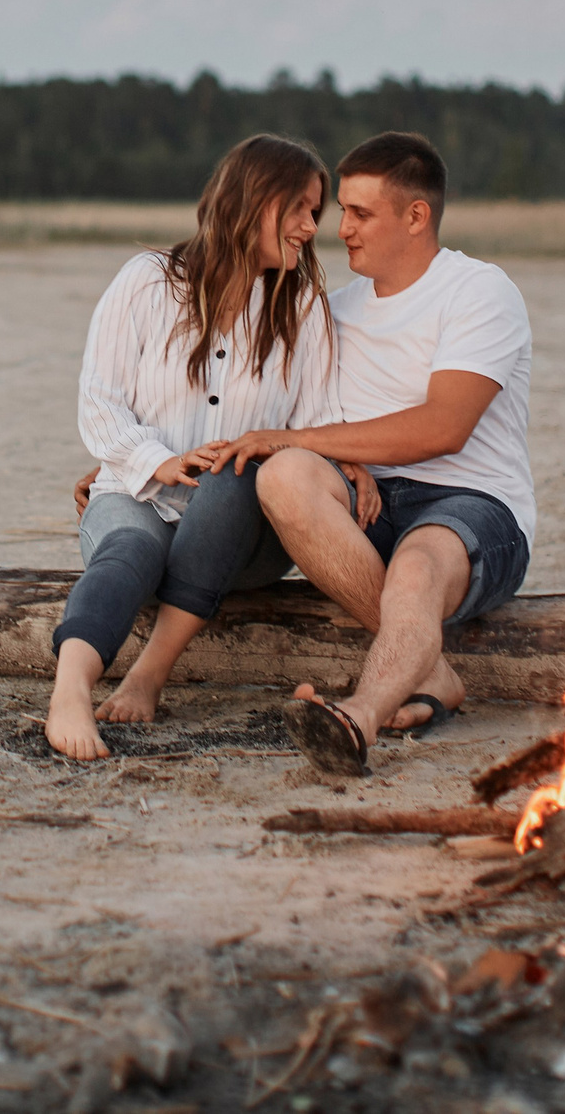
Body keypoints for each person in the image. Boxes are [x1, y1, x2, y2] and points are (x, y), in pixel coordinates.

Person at [203, 130, 533, 775]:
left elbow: (444, 427)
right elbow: (254, 413)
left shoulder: (478, 291)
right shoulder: (330, 312)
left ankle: (359, 714)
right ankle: (434, 675)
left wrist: (298, 440)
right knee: (287, 477)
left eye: (360, 213)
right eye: (340, 213)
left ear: (417, 216)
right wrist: (131, 458)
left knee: (414, 566)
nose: (341, 228)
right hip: (368, 507)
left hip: (472, 505)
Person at [49, 133, 359, 762]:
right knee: (129, 547)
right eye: (299, 207)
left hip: (242, 534)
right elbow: (98, 401)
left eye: (315, 213)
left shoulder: (303, 309)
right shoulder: (146, 282)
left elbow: (318, 429)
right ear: (252, 199)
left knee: (235, 473)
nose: (309, 226)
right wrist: (156, 461)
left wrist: (290, 455)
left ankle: (149, 674)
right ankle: (70, 690)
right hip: (139, 496)